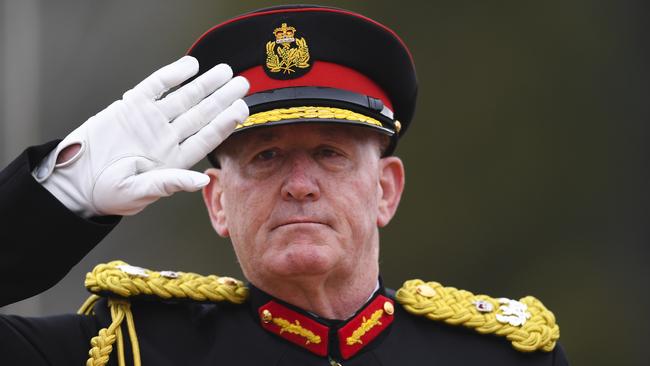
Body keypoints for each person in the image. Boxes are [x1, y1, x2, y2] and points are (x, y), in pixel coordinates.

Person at [0, 4, 568, 365]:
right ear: (217, 200)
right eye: (266, 156)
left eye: (330, 154)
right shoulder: (125, 351)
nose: (300, 184)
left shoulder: (502, 357)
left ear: (386, 190)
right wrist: (59, 192)